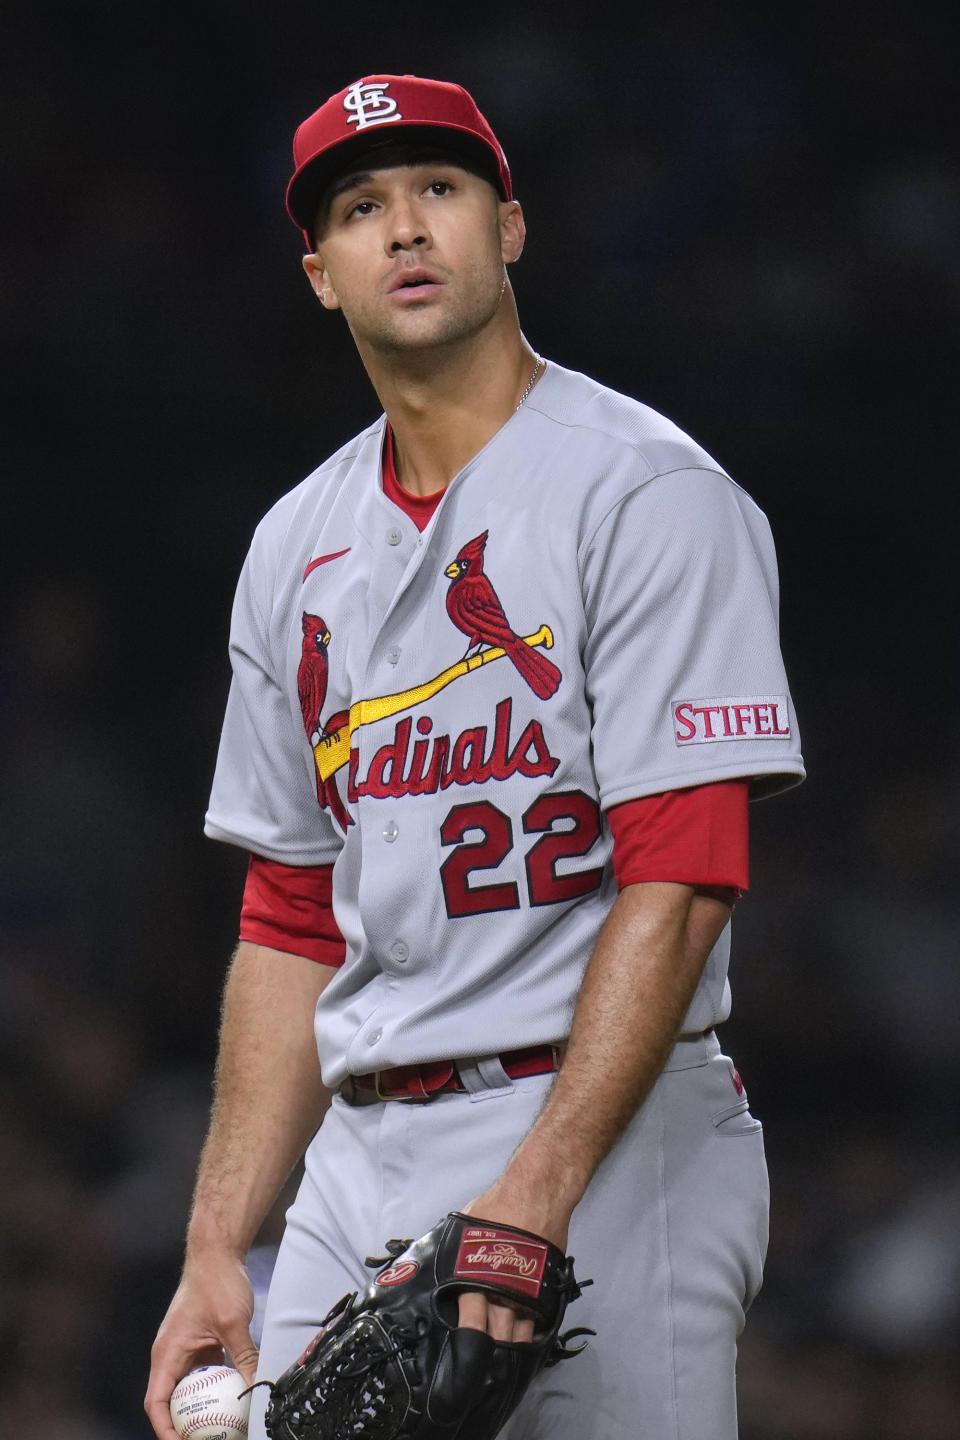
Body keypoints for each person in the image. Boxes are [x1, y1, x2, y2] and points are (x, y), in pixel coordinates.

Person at [145, 73, 804, 1440]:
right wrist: (220, 1242)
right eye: (361, 206)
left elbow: (681, 877)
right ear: (321, 274)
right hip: (361, 1141)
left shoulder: (647, 494)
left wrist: (540, 1187)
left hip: (609, 1132)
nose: (404, 229)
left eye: (438, 191)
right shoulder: (294, 547)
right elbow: (288, 916)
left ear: (509, 229)